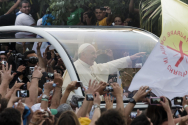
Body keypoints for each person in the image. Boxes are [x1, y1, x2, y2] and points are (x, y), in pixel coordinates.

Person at [62, 43, 145, 93]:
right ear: (83, 54)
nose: (95, 56)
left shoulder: (93, 65)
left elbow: (110, 66)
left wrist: (129, 58)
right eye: (92, 53)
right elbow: (66, 90)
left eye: (95, 53)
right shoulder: (74, 67)